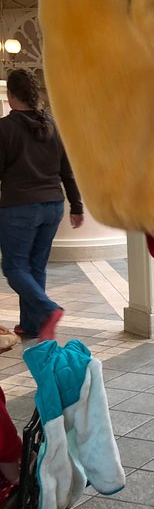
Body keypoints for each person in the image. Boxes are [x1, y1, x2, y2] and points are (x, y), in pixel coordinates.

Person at [0, 69, 84, 341]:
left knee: (14, 268)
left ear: (11, 95)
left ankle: (48, 310)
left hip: (20, 208)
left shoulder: (4, 128)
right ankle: (32, 326)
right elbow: (66, 170)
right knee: (35, 268)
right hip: (53, 206)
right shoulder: (51, 125)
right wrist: (76, 205)